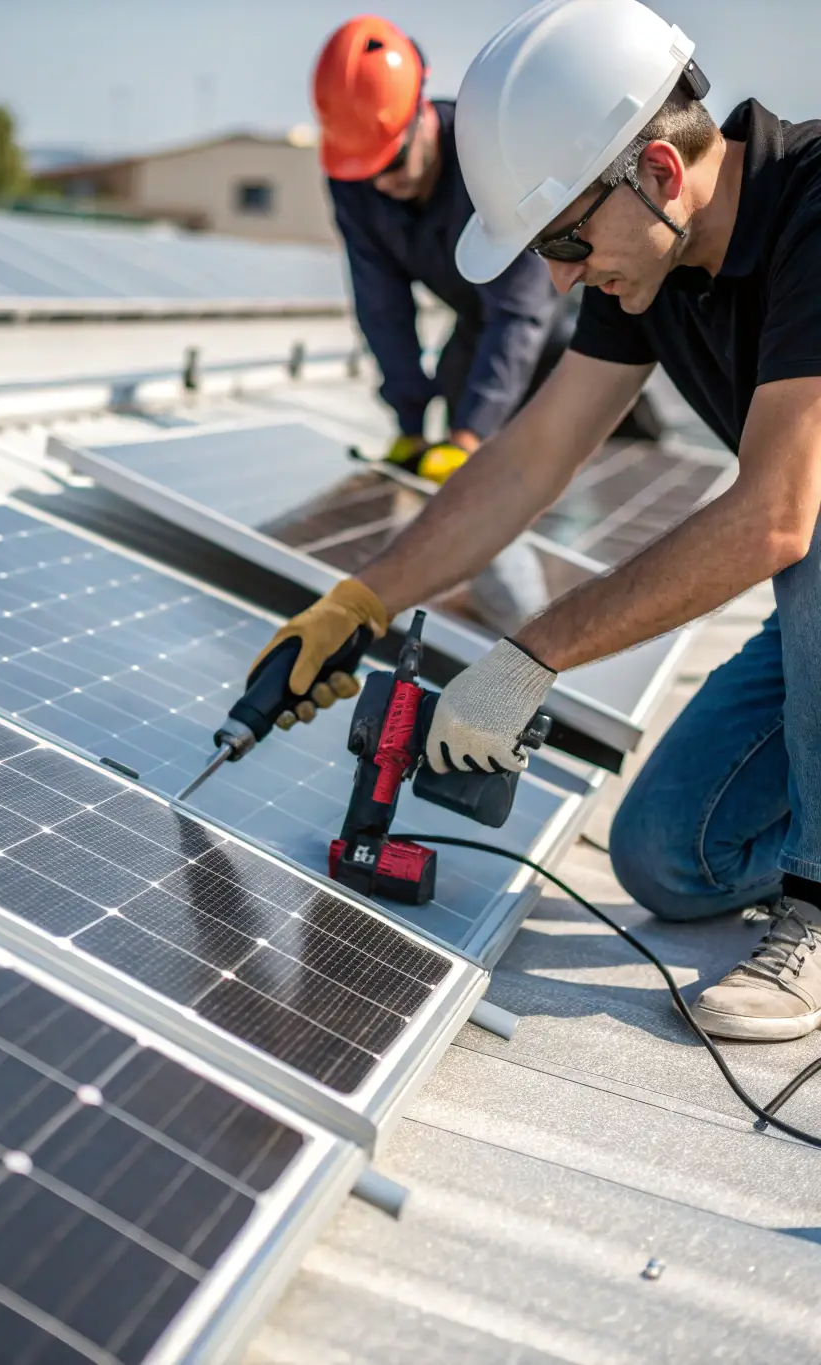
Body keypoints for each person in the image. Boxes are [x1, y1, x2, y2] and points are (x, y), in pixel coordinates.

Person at [252, 0, 821, 1043]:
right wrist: (359, 600)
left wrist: (530, 657)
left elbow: (774, 519)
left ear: (656, 169)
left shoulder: (819, 204)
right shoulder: (648, 264)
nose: (556, 278)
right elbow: (529, 461)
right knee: (667, 855)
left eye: (563, 236)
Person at [312, 15, 561, 634]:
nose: (382, 184)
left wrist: (472, 432)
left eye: (391, 162)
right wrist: (407, 418)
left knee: (542, 459)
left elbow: (521, 307)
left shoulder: (485, 153)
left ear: (421, 114)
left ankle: (547, 620)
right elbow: (380, 303)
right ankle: (488, 604)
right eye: (364, 171)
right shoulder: (357, 179)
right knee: (447, 453)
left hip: (562, 322)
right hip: (476, 326)